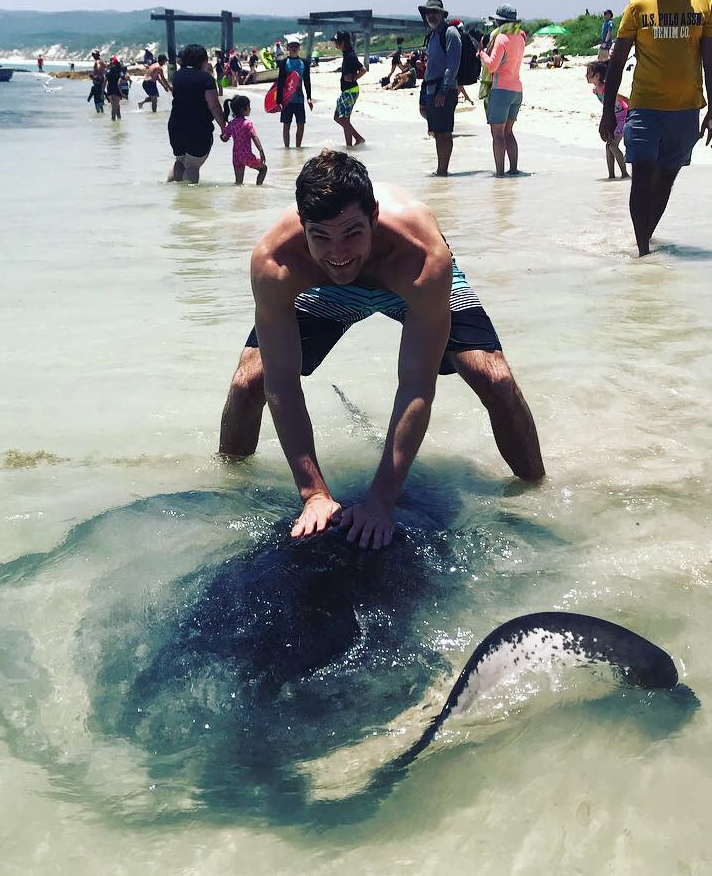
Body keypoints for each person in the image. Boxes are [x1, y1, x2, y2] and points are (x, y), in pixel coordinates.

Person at [218, 150, 545, 549]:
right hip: (325, 291)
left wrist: (380, 499)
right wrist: (314, 494)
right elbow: (281, 383)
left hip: (402, 283)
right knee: (248, 382)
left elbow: (416, 385)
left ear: (373, 217)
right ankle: (229, 496)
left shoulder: (422, 257)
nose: (338, 253)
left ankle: (535, 496)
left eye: (352, 233)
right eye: (321, 236)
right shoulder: (275, 261)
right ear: (302, 225)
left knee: (496, 379)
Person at [599, 0, 712, 257]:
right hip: (644, 107)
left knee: (666, 178)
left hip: (686, 109)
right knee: (641, 175)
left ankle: (645, 238)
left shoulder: (704, 4)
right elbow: (616, 62)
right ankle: (643, 253)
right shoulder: (638, 7)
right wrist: (607, 112)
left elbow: (711, 60)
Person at [478, 5, 526, 177]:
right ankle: (513, 169)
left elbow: (492, 66)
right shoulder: (520, 37)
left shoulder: (501, 38)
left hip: (500, 90)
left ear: (500, 21)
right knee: (508, 132)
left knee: (497, 135)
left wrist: (482, 54)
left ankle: (499, 174)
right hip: (516, 90)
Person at [167, 44, 226, 183]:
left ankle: (175, 199)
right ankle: (190, 202)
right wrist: (224, 126)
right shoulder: (206, 79)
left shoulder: (177, 76)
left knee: (180, 162)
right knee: (192, 166)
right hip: (198, 129)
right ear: (204, 61)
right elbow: (214, 106)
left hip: (175, 128)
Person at [417, 0, 462, 177]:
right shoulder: (432, 35)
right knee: (436, 132)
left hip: (444, 90)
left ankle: (443, 171)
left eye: (434, 12)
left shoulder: (450, 33)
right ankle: (440, 169)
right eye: (428, 13)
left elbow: (453, 64)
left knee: (444, 132)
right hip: (429, 88)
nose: (431, 16)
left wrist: (443, 90)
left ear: (442, 14)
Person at [586, 61, 630, 179]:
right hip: (614, 117)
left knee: (613, 145)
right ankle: (611, 175)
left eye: (588, 73)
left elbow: (625, 99)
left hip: (623, 116)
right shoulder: (596, 91)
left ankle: (625, 174)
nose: (586, 76)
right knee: (608, 145)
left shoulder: (607, 89)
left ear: (597, 76)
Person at [220, 95, 268, 185]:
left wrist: (221, 135)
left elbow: (225, 138)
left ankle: (238, 196)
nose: (250, 108)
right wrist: (261, 150)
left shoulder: (232, 124)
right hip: (246, 156)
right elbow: (254, 137)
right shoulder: (247, 123)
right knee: (263, 169)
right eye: (249, 106)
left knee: (238, 182)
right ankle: (258, 188)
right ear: (243, 109)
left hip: (236, 156)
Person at [276, 39, 314, 148]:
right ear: (287, 47)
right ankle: (286, 149)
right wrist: (278, 101)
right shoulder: (284, 63)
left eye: (296, 46)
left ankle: (298, 148)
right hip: (287, 100)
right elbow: (280, 82)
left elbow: (307, 80)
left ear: (299, 48)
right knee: (286, 124)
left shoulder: (304, 63)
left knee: (301, 124)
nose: (294, 48)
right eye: (291, 46)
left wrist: (309, 98)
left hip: (299, 99)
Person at [332, 31, 366, 147]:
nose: (335, 44)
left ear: (342, 43)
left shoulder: (350, 55)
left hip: (350, 91)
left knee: (345, 120)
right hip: (346, 91)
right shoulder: (346, 54)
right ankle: (358, 138)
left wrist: (354, 78)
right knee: (337, 117)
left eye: (336, 42)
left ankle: (349, 148)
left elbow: (363, 69)